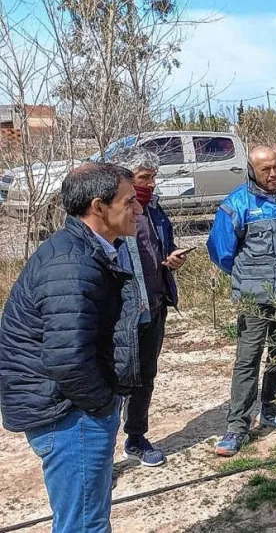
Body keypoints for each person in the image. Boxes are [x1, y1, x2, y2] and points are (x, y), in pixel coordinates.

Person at [0, 162, 143, 532]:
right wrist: (101, 405)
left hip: (71, 406)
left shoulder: (88, 250)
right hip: (69, 412)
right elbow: (66, 359)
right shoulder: (72, 264)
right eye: (130, 201)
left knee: (86, 517)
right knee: (84, 524)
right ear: (99, 207)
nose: (138, 209)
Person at [207, 145, 276, 456]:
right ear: (251, 171)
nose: (272, 174)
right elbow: (220, 250)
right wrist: (252, 276)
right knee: (248, 359)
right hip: (255, 298)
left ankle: (271, 410)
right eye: (264, 169)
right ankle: (237, 427)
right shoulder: (237, 204)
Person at [113, 148, 188, 467]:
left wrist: (171, 259)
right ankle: (101, 456)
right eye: (145, 178)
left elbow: (161, 247)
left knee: (145, 374)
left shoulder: (155, 209)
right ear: (126, 179)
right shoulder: (111, 213)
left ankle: (136, 438)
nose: (152, 184)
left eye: (154, 177)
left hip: (154, 304)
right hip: (121, 313)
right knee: (113, 381)